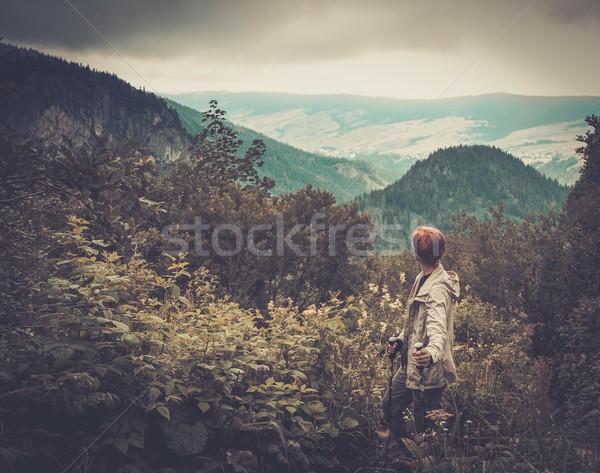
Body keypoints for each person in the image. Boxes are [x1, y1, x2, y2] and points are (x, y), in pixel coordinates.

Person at [381, 226, 460, 443]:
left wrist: (431, 353)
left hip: (428, 371)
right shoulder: (423, 277)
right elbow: (418, 323)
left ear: (416, 254)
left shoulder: (436, 290)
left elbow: (437, 330)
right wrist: (399, 340)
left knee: (426, 428)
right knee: (390, 405)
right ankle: (407, 451)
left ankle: (427, 460)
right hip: (411, 365)